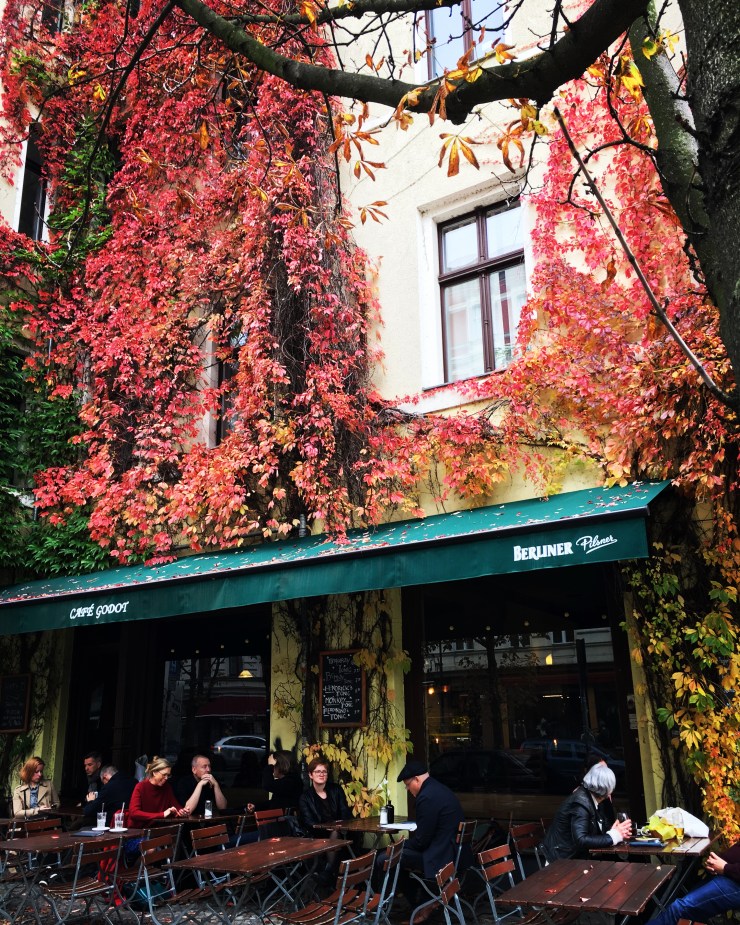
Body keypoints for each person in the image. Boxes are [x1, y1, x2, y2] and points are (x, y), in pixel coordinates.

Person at [388, 757, 467, 921]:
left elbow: (421, 842)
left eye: (408, 786)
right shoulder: (439, 789)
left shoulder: (426, 797)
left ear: (416, 779)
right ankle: (421, 904)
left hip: (440, 857)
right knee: (394, 855)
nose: (409, 790)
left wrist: (399, 844)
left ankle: (416, 905)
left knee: (387, 857)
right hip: (450, 852)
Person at [541, 763, 632, 861]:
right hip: (562, 860)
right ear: (608, 789)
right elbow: (581, 839)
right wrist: (613, 836)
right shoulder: (581, 803)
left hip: (575, 857)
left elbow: (594, 832)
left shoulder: (591, 799)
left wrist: (612, 831)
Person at [647, 843, 740, 925]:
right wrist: (716, 864)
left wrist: (725, 868)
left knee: (679, 908)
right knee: (689, 914)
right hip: (728, 874)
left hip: (734, 882)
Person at [298, 757, 352, 887]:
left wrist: (338, 825)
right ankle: (330, 872)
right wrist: (327, 827)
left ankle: (328, 872)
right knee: (334, 833)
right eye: (318, 771)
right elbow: (309, 822)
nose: (321, 774)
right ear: (311, 775)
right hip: (317, 835)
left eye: (324, 771)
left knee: (336, 832)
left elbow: (345, 812)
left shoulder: (336, 790)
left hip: (341, 831)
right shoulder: (305, 797)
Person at [128, 756, 189, 827]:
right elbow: (134, 813)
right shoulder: (141, 786)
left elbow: (175, 805)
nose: (166, 778)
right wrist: (162, 814)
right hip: (140, 831)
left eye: (168, 775)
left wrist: (181, 811)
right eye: (164, 775)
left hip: (159, 830)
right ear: (154, 772)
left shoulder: (167, 787)